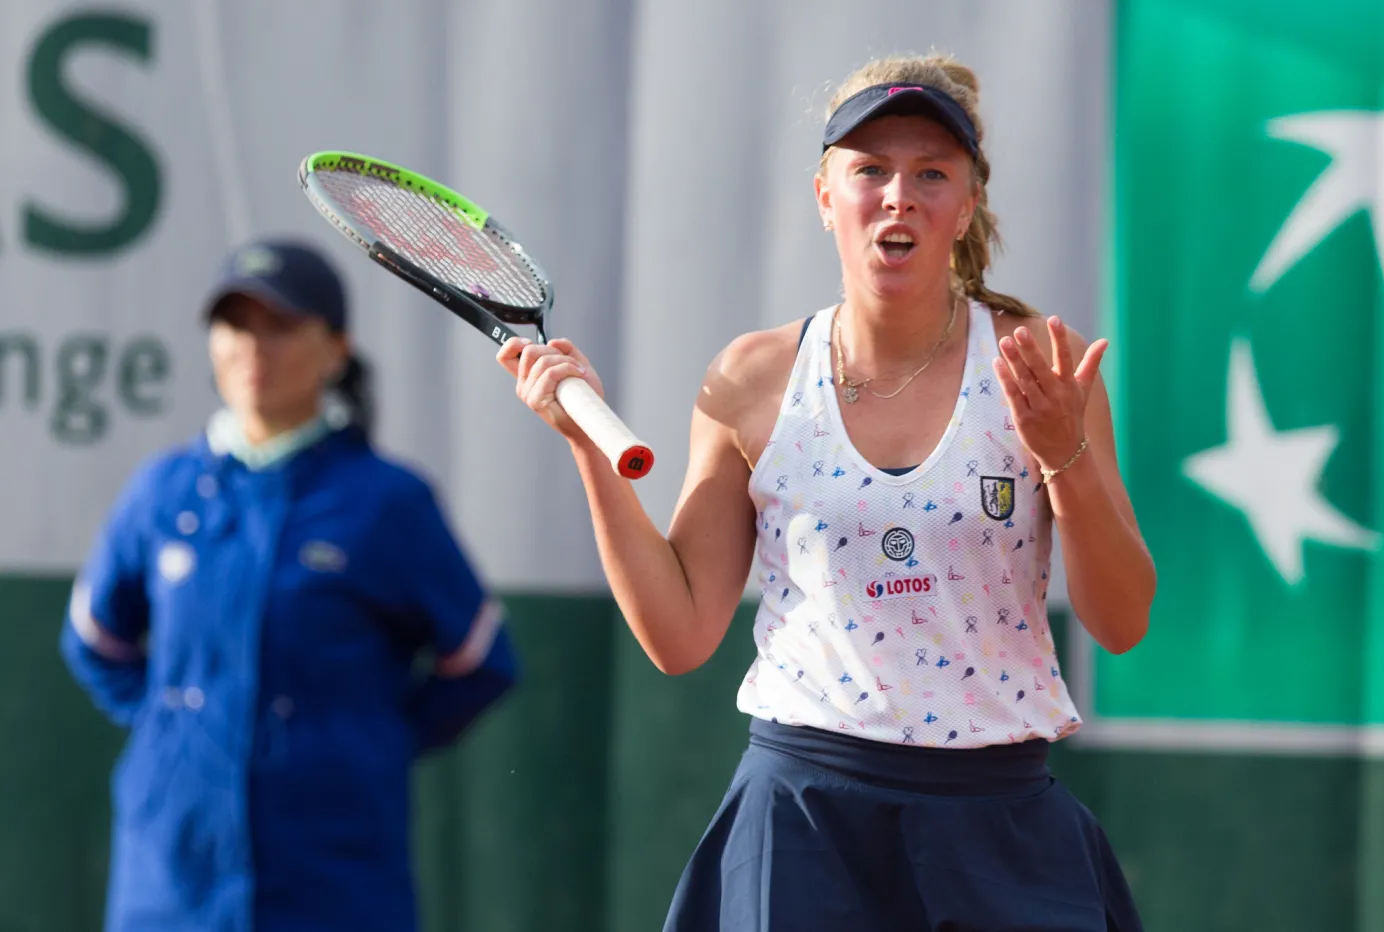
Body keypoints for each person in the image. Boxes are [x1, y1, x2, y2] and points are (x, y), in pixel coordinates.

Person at [498, 49, 1155, 931]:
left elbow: (1121, 622)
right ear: (824, 197)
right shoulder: (749, 378)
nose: (898, 196)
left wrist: (1062, 453)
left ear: (966, 206)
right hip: (803, 821)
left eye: (931, 172)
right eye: (870, 171)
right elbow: (681, 634)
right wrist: (585, 445)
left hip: (1000, 814)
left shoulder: (1037, 366)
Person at [61, 237, 517, 932]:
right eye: (236, 325)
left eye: (281, 326)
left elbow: (481, 663)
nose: (253, 348)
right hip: (172, 877)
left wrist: (365, 742)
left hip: (334, 882)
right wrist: (175, 727)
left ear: (336, 348)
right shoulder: (163, 489)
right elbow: (95, 640)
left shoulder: (387, 501)